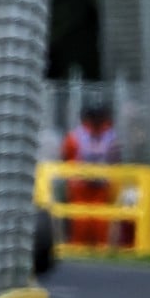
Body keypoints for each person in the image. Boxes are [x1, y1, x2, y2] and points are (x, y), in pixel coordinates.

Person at [60, 103, 119, 246]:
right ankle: (79, 246)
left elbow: (115, 159)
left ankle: (99, 248)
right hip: (80, 186)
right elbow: (67, 157)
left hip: (101, 185)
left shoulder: (110, 137)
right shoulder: (76, 137)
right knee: (81, 220)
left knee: (99, 221)